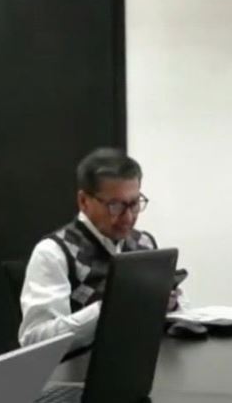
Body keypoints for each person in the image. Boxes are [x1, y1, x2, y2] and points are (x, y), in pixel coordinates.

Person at [19, 148, 179, 349]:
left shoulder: (144, 244)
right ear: (83, 201)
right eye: (115, 206)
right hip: (81, 366)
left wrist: (171, 304)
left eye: (134, 204)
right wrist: (107, 309)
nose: (128, 217)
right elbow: (35, 340)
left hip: (144, 356)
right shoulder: (53, 253)